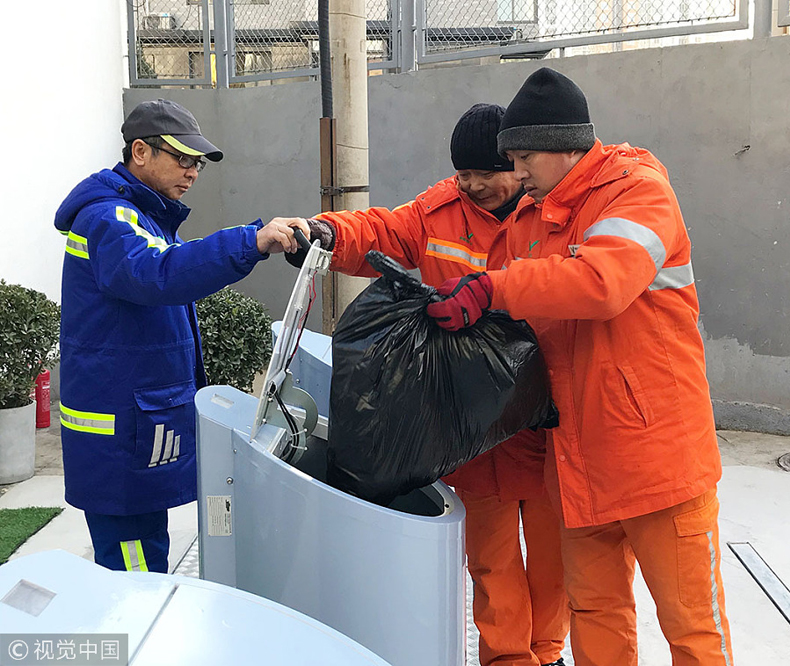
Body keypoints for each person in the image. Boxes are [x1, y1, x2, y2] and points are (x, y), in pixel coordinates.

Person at [427, 69, 734, 666]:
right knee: (596, 613)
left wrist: (493, 288)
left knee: (692, 628)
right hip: (577, 461)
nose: (516, 175)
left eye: (522, 158)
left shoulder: (638, 191)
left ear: (563, 144)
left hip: (655, 457)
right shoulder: (540, 213)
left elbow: (601, 283)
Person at [287, 104, 570, 666]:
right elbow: (383, 230)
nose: (472, 185)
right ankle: (509, 659)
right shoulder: (442, 211)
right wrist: (324, 232)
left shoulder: (554, 214)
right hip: (466, 425)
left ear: (519, 163)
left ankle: (548, 652)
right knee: (490, 559)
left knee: (554, 555)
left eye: (486, 173)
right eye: (463, 174)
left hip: (543, 420)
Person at [55, 98, 301, 574]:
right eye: (181, 158)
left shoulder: (141, 217)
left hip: (133, 423)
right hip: (118, 434)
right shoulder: (110, 219)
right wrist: (252, 241)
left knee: (146, 553)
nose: (191, 172)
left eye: (197, 164)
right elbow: (160, 273)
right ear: (140, 151)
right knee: (134, 575)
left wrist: (252, 237)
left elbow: (173, 267)